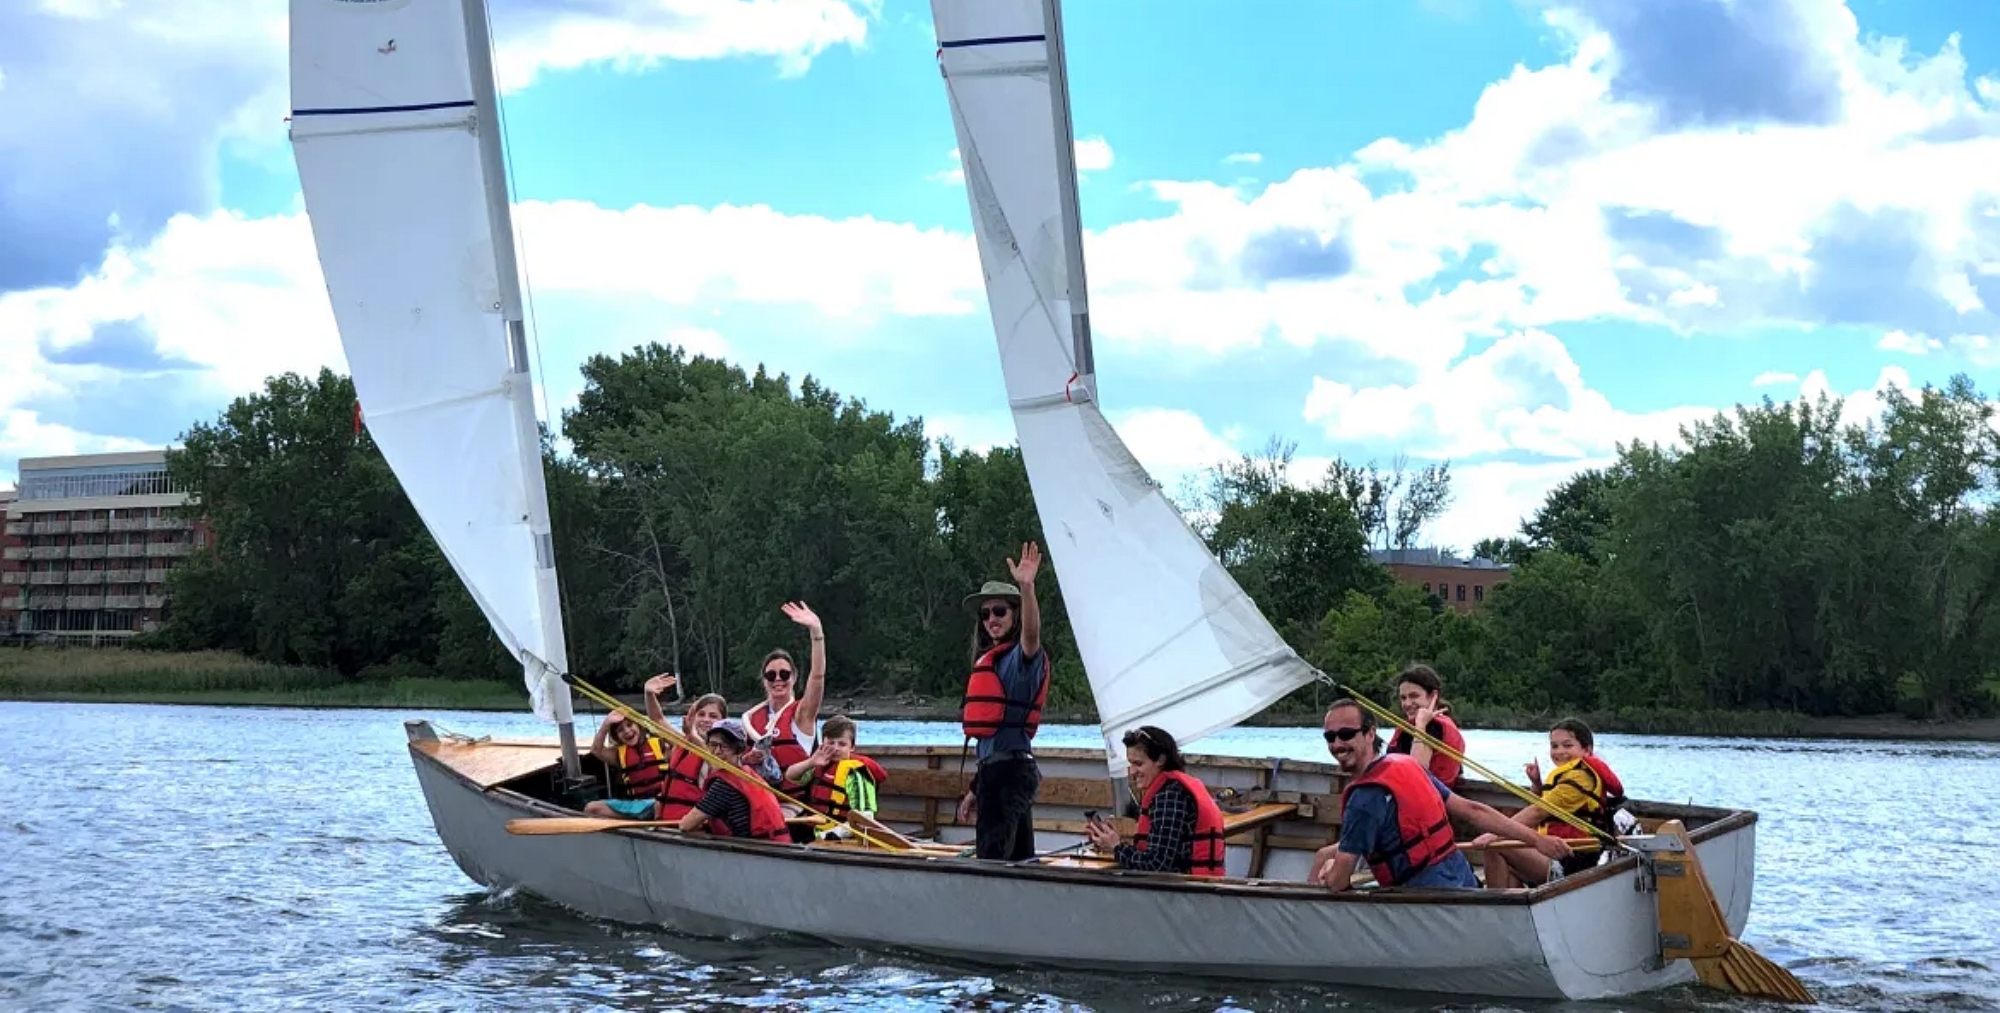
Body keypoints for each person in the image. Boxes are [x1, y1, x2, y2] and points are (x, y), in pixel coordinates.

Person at [1311, 698, 1571, 892]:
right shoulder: (1406, 765)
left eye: (1346, 734)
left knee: (1324, 864)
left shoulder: (1363, 800)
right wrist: (1537, 840)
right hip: (1465, 885)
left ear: (1370, 733)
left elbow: (1338, 884)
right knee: (1325, 854)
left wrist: (1329, 874)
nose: (1337, 744)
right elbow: (1474, 810)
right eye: (1330, 737)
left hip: (1426, 906)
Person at [954, 542, 1050, 862]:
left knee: (993, 861)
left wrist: (1027, 587)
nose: (991, 619)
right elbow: (990, 745)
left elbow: (1032, 635)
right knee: (1019, 860)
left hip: (1011, 774)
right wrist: (975, 788)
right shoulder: (992, 661)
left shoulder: (1021, 660)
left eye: (1000, 611)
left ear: (1015, 614)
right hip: (996, 774)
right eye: (985, 614)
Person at [1478, 718, 1629, 888]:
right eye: (1554, 746)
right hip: (1555, 851)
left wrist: (1497, 832)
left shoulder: (1580, 777)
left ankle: (1499, 903)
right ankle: (1510, 903)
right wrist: (1537, 785)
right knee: (1507, 862)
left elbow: (1538, 812)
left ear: (1587, 750)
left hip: (1574, 860)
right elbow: (1544, 810)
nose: (1559, 751)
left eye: (1567, 745)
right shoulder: (1568, 774)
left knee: (1496, 846)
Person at [1083, 726, 1226, 877]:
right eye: (1130, 764)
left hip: (1185, 888)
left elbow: (1157, 865)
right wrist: (1111, 842)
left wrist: (1116, 847)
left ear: (1161, 760)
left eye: (1138, 764)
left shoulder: (1170, 796)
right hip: (1196, 884)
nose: (1131, 772)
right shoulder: (1175, 788)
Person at [585, 676, 723, 821]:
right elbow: (658, 720)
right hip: (652, 805)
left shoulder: (726, 752)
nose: (706, 719)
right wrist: (649, 694)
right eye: (701, 714)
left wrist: (694, 736)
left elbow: (716, 767)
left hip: (685, 813)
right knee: (592, 808)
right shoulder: (683, 743)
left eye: (713, 716)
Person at [743, 601, 827, 773]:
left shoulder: (802, 714)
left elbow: (817, 676)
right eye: (771, 675)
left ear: (794, 677)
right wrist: (746, 759)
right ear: (764, 680)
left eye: (784, 674)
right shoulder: (750, 719)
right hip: (756, 788)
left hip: (791, 789)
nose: (778, 679)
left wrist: (816, 632)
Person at [678, 718, 790, 842]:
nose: (717, 751)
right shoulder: (747, 775)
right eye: (713, 745)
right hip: (771, 844)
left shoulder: (723, 786)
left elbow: (685, 825)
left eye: (725, 746)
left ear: (739, 750)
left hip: (755, 849)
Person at [784, 714, 888, 838]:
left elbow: (865, 817)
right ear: (823, 743)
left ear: (852, 747)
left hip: (839, 836)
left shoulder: (856, 774)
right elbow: (791, 776)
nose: (835, 748)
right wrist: (811, 762)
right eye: (831, 743)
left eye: (842, 744)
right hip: (812, 828)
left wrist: (832, 834)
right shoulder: (819, 765)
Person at [1385, 664, 1466, 788]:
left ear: (1433, 696)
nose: (1407, 703)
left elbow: (1416, 774)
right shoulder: (1439, 725)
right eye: (1403, 698)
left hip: (1421, 795)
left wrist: (1421, 725)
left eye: (1414, 696)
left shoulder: (1432, 727)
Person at [583, 710, 668, 819]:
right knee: (591, 808)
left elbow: (679, 747)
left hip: (662, 801)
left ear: (639, 726)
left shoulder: (660, 745)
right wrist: (606, 724)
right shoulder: (618, 754)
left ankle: (652, 820)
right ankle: (638, 819)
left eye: (630, 725)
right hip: (636, 806)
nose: (627, 731)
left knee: (658, 805)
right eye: (620, 730)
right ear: (617, 737)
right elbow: (596, 750)